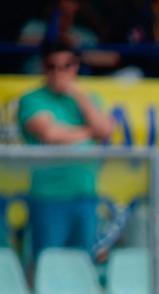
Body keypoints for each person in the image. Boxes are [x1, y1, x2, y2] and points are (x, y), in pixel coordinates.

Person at [17, 38, 113, 266]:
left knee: (83, 264)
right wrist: (90, 132)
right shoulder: (31, 99)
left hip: (85, 195)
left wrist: (77, 94)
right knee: (45, 264)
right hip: (48, 196)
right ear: (43, 67)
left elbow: (106, 130)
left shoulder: (89, 99)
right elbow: (50, 135)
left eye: (66, 66)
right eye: (52, 66)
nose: (59, 73)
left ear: (76, 67)